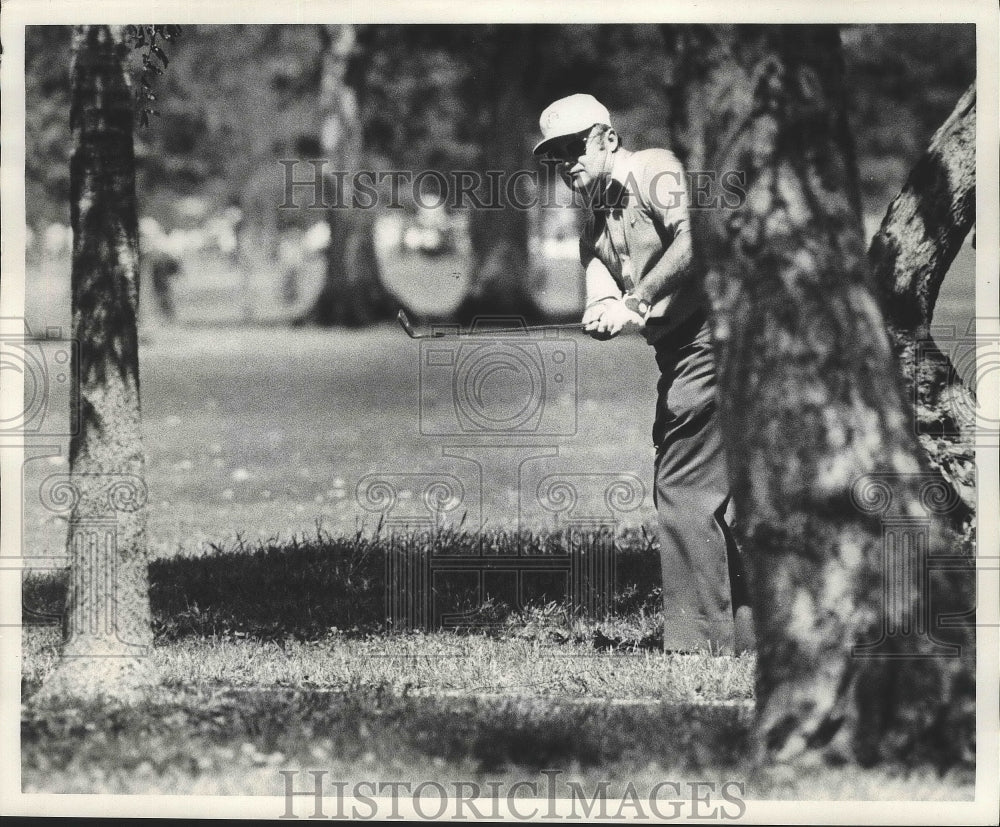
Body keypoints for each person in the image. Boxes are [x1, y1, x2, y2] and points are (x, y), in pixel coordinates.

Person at [533, 94, 753, 654]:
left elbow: (700, 237)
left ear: (607, 137)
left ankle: (699, 646)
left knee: (683, 487)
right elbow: (596, 263)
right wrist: (598, 305)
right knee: (692, 488)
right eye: (555, 154)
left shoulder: (651, 169)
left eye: (573, 146)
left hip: (717, 338)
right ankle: (749, 635)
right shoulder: (596, 207)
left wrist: (638, 298)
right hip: (678, 353)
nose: (566, 162)